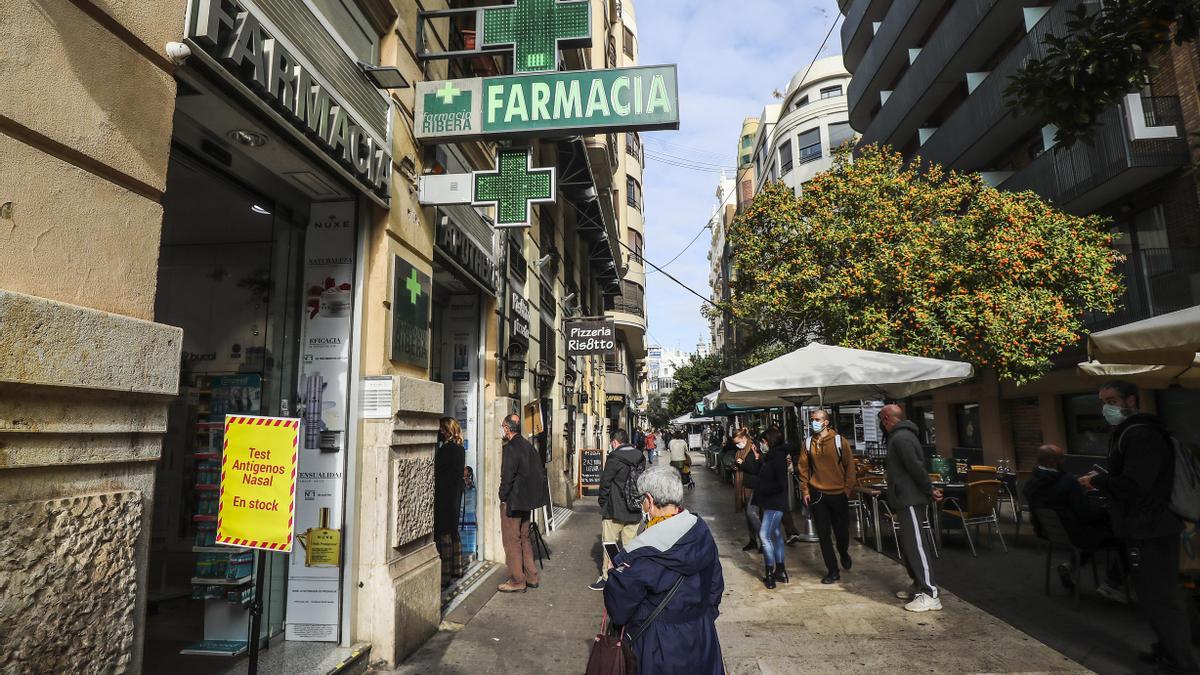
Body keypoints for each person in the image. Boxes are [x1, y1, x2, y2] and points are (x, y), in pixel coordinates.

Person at [1080, 381, 1198, 672]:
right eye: (1102, 401)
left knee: (1161, 597)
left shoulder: (1140, 434)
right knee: (1152, 595)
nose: (1106, 407)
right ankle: (1167, 648)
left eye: (1111, 400)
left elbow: (1136, 485)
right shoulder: (1134, 432)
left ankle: (1182, 662)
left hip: (1151, 528)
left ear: (1130, 400)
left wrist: (1097, 481)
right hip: (1147, 526)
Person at [604, 466, 724, 674]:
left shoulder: (643, 553)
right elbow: (715, 587)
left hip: (658, 647)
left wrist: (615, 574)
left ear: (649, 500)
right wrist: (697, 621)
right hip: (702, 639)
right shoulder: (700, 532)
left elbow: (619, 609)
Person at [1024, 443, 1124, 596]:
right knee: (1123, 537)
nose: (1064, 460)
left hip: (1048, 532)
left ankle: (1070, 566)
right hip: (1075, 534)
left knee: (1092, 535)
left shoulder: (1031, 482)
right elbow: (1086, 515)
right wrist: (1105, 512)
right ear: (1052, 462)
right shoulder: (1067, 482)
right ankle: (1112, 584)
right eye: (1061, 458)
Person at [879, 404, 943, 612]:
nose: (881, 424)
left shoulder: (901, 438)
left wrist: (928, 489)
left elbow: (916, 467)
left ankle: (930, 593)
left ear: (887, 419)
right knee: (909, 546)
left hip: (910, 498)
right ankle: (918, 585)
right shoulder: (900, 437)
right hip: (905, 498)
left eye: (881, 419)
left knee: (916, 545)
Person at [798, 409, 857, 584]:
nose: (813, 422)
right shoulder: (808, 443)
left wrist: (847, 489)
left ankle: (843, 551)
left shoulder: (840, 441)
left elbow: (850, 467)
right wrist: (805, 490)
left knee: (841, 532)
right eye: (812, 419)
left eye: (817, 419)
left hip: (839, 493)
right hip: (818, 494)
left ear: (826, 422)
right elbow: (802, 468)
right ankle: (832, 570)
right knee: (823, 535)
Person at [497, 413, 548, 593]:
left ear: (507, 428)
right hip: (527, 502)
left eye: (502, 426)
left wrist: (502, 496)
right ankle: (532, 576)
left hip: (514, 502)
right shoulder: (527, 445)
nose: (502, 429)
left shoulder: (511, 447)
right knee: (525, 538)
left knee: (512, 541)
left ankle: (518, 580)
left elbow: (507, 476)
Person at [591, 429, 645, 591]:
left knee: (610, 544)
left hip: (614, 509)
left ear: (615, 442)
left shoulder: (614, 458)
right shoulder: (640, 456)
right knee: (630, 545)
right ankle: (628, 577)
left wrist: (603, 503)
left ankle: (608, 577)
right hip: (634, 508)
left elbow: (605, 484)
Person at [434, 417, 467, 588]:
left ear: (446, 430)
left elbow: (435, 468)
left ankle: (444, 575)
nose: (438, 432)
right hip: (454, 494)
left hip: (444, 494)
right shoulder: (459, 448)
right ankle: (457, 568)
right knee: (452, 530)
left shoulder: (446, 450)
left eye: (440, 429)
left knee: (443, 532)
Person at [756, 428, 791, 589]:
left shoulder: (777, 457)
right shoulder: (771, 457)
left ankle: (769, 572)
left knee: (764, 535)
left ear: (770, 441)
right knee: (776, 535)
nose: (762, 444)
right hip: (771, 502)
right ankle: (781, 570)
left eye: (764, 441)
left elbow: (781, 484)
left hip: (775, 503)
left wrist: (764, 490)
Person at [731, 428, 762, 552]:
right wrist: (735, 465)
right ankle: (753, 540)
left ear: (744, 438)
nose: (737, 445)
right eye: (735, 443)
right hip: (743, 486)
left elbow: (755, 469)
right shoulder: (740, 451)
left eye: (738, 442)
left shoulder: (753, 448)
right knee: (748, 515)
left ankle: (764, 540)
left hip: (754, 485)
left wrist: (741, 464)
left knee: (752, 513)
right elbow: (738, 464)